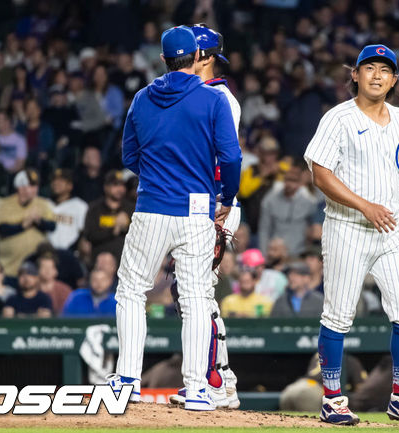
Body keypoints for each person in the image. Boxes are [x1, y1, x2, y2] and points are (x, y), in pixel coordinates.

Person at [106, 26, 241, 412]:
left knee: (132, 291)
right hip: (197, 209)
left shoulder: (143, 98)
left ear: (163, 59)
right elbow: (231, 158)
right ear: (197, 58)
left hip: (152, 206)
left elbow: (129, 156)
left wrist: (156, 172)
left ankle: (128, 379)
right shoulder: (214, 99)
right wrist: (227, 198)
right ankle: (198, 388)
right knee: (198, 297)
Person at [304, 44, 399, 425]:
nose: (377, 75)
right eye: (369, 68)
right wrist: (364, 205)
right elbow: (320, 173)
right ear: (355, 75)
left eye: (384, 70)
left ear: (394, 79)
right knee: (338, 317)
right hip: (347, 228)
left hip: (391, 231)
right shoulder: (338, 119)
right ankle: (332, 399)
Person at [168, 23, 243, 410]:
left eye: (191, 54)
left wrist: (220, 206)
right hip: (195, 204)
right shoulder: (195, 94)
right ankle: (223, 380)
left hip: (214, 205)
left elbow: (225, 158)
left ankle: (214, 382)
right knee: (196, 295)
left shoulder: (220, 98)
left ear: (205, 57)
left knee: (194, 294)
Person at [0, 169, 55, 278]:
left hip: (35, 269)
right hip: (9, 267)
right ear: (20, 187)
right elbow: (2, 229)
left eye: (35, 186)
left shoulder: (43, 203)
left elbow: (52, 226)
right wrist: (23, 225)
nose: (34, 189)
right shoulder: (6, 204)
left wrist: (37, 221)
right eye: (30, 185)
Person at [258, 161, 317, 256]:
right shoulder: (270, 200)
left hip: (300, 252)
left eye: (294, 181)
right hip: (275, 252)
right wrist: (264, 254)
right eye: (287, 180)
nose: (289, 184)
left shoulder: (309, 201)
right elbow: (264, 229)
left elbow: (312, 229)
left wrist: (308, 252)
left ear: (300, 183)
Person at [79, 170, 134, 266]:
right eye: (115, 185)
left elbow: (138, 234)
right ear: (106, 187)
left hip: (125, 263)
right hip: (99, 262)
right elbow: (90, 235)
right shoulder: (95, 208)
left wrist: (126, 227)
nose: (120, 189)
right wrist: (114, 230)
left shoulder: (131, 208)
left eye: (122, 185)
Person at [48, 169, 88, 250]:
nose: (56, 183)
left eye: (61, 180)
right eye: (54, 180)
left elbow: (84, 234)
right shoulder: (44, 204)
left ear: (70, 186)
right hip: (47, 254)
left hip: (70, 253)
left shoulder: (80, 206)